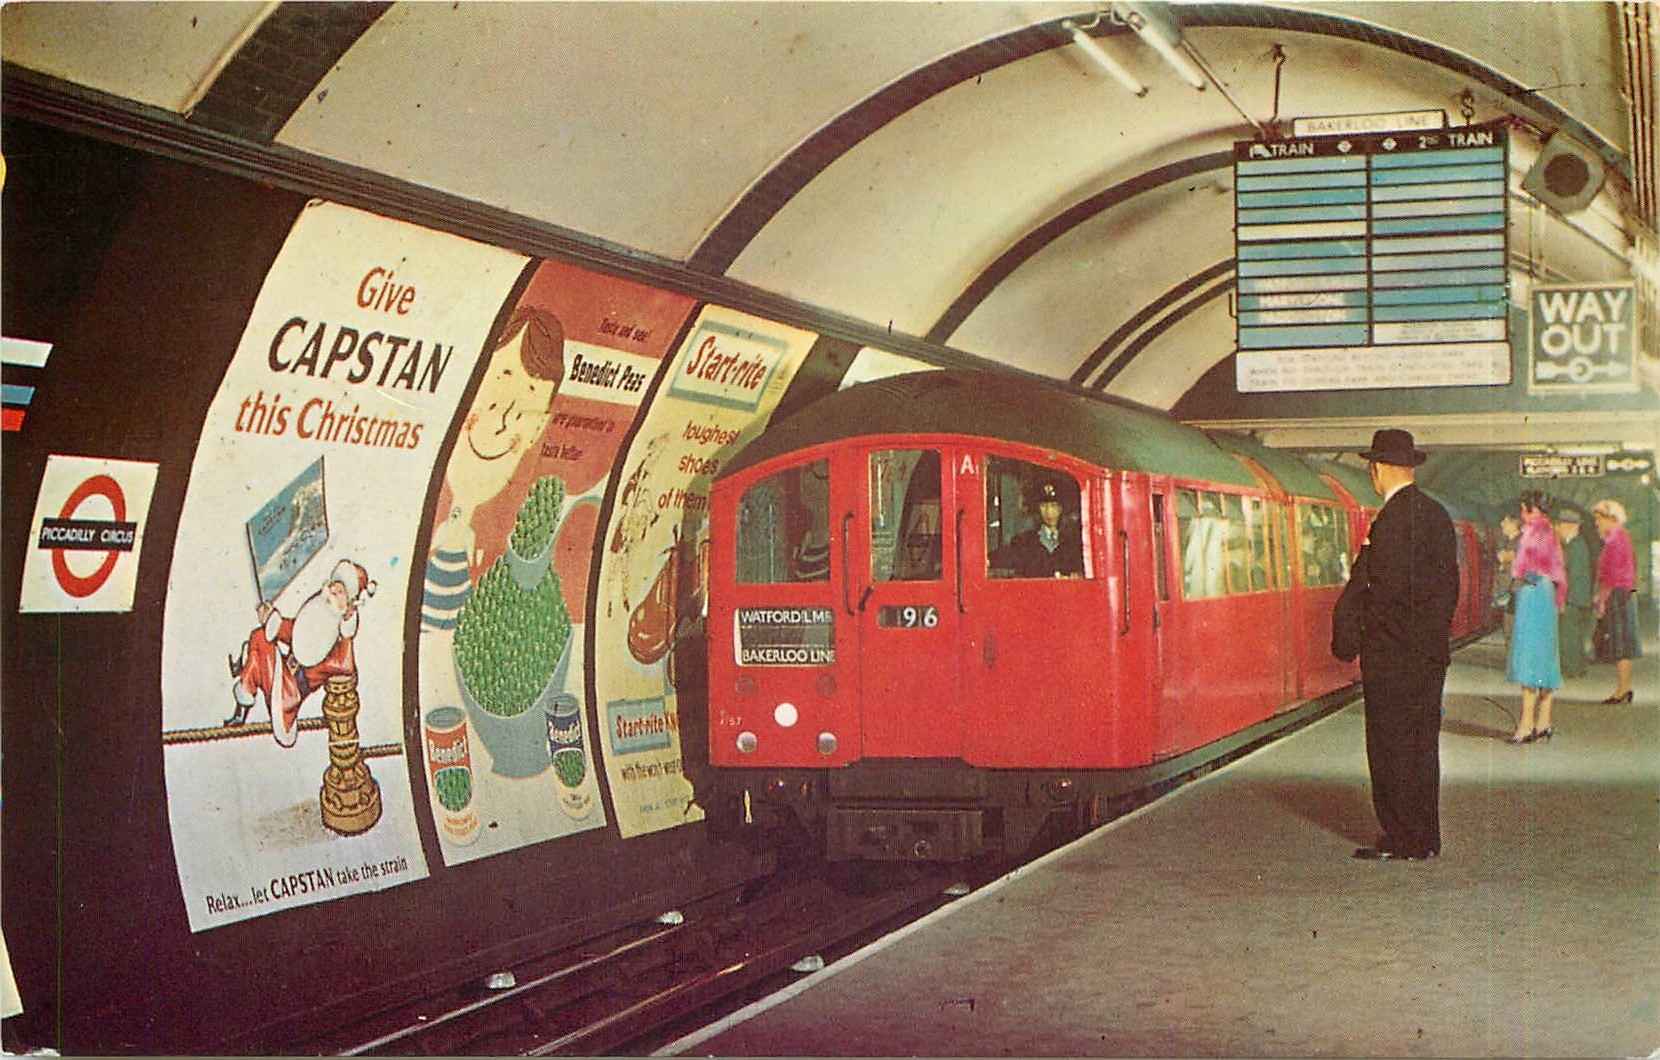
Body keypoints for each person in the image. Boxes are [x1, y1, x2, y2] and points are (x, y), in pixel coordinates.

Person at [1331, 429, 1460, 862]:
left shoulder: (1388, 521)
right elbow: (1448, 587)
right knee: (1422, 746)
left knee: (1390, 746)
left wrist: (1364, 636)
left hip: (1392, 656)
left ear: (1379, 469)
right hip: (1428, 655)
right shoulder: (1436, 515)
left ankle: (1401, 837)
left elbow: (1381, 592)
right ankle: (1424, 836)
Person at [227, 559, 376, 746]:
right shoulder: (316, 615)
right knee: (260, 636)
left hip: (290, 692)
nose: (332, 593)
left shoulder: (335, 642)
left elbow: (345, 666)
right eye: (332, 587)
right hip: (282, 675)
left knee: (260, 642)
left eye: (340, 593)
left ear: (348, 606)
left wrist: (347, 634)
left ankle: (244, 679)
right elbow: (291, 631)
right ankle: (241, 708)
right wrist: (270, 618)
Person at [1505, 492, 1566, 744]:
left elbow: (1523, 569)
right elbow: (1559, 572)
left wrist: (1512, 565)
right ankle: (1544, 722)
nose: (1522, 514)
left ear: (1533, 511)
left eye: (1524, 510)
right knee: (1546, 659)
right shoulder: (1552, 532)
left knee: (1528, 659)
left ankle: (1526, 725)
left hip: (1532, 595)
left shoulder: (1531, 533)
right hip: (1548, 595)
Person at [1591, 498, 1640, 703]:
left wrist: (1602, 599)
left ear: (1611, 518)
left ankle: (1623, 690)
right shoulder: (1620, 537)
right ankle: (1624, 688)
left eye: (1599, 519)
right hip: (1623, 594)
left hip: (1618, 594)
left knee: (1620, 643)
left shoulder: (1615, 540)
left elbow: (1611, 574)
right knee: (1622, 643)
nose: (1597, 523)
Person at [1005, 478, 1083, 578]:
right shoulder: (1024, 542)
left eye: (1054, 506)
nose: (1048, 512)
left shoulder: (1074, 542)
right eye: (1043, 506)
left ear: (1061, 509)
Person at [1555, 508, 1593, 679]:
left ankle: (1570, 668)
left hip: (1573, 598)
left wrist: (1564, 598)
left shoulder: (1575, 545)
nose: (1559, 529)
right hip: (1578, 598)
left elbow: (1573, 574)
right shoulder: (1577, 544)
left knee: (1568, 634)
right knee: (1575, 634)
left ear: (1569, 526)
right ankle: (1579, 667)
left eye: (1561, 525)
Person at [1493, 513, 1521, 641]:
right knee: (1508, 632)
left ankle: (1514, 661)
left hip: (1515, 593)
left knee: (1512, 633)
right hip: (1508, 593)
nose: (1502, 524)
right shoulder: (1508, 542)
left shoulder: (1521, 542)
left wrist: (1507, 559)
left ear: (1514, 523)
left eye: (1505, 521)